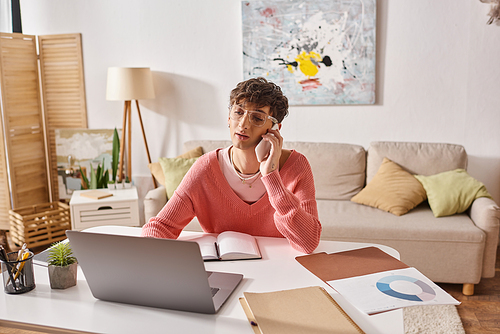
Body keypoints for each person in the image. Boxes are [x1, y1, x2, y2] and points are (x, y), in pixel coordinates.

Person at [141, 77, 321, 253]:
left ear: (274, 129)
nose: (243, 125)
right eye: (238, 112)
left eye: (257, 118)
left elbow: (308, 243)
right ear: (229, 117)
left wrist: (272, 176)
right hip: (225, 270)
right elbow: (161, 226)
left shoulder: (297, 166)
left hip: (281, 272)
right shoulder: (205, 167)